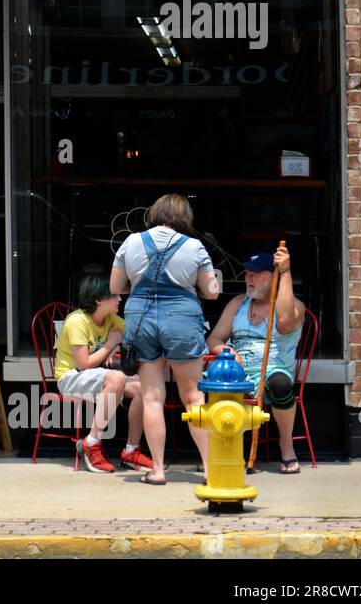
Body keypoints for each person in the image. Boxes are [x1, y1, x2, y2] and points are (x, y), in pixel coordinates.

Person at [110, 193, 221, 485]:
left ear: (155, 213)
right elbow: (211, 292)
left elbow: (115, 286)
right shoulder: (195, 246)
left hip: (140, 318)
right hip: (182, 319)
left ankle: (158, 470)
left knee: (151, 397)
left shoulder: (131, 242)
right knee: (193, 396)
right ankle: (211, 468)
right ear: (184, 218)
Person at [205, 246, 305, 473]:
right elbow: (215, 338)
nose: (248, 279)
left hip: (273, 371)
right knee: (215, 384)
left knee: (281, 384)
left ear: (274, 277)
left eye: (255, 274)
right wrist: (228, 353)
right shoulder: (237, 303)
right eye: (246, 273)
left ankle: (286, 446)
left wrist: (286, 272)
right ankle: (228, 450)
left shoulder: (294, 307)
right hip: (239, 372)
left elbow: (285, 320)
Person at [53, 274, 154, 473]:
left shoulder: (110, 319)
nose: (120, 299)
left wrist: (116, 348)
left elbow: (134, 338)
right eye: (114, 296)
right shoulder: (77, 321)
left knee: (144, 388)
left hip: (95, 377)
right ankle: (91, 443)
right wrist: (109, 345)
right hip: (71, 377)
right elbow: (85, 363)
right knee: (116, 377)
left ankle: (131, 451)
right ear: (98, 300)